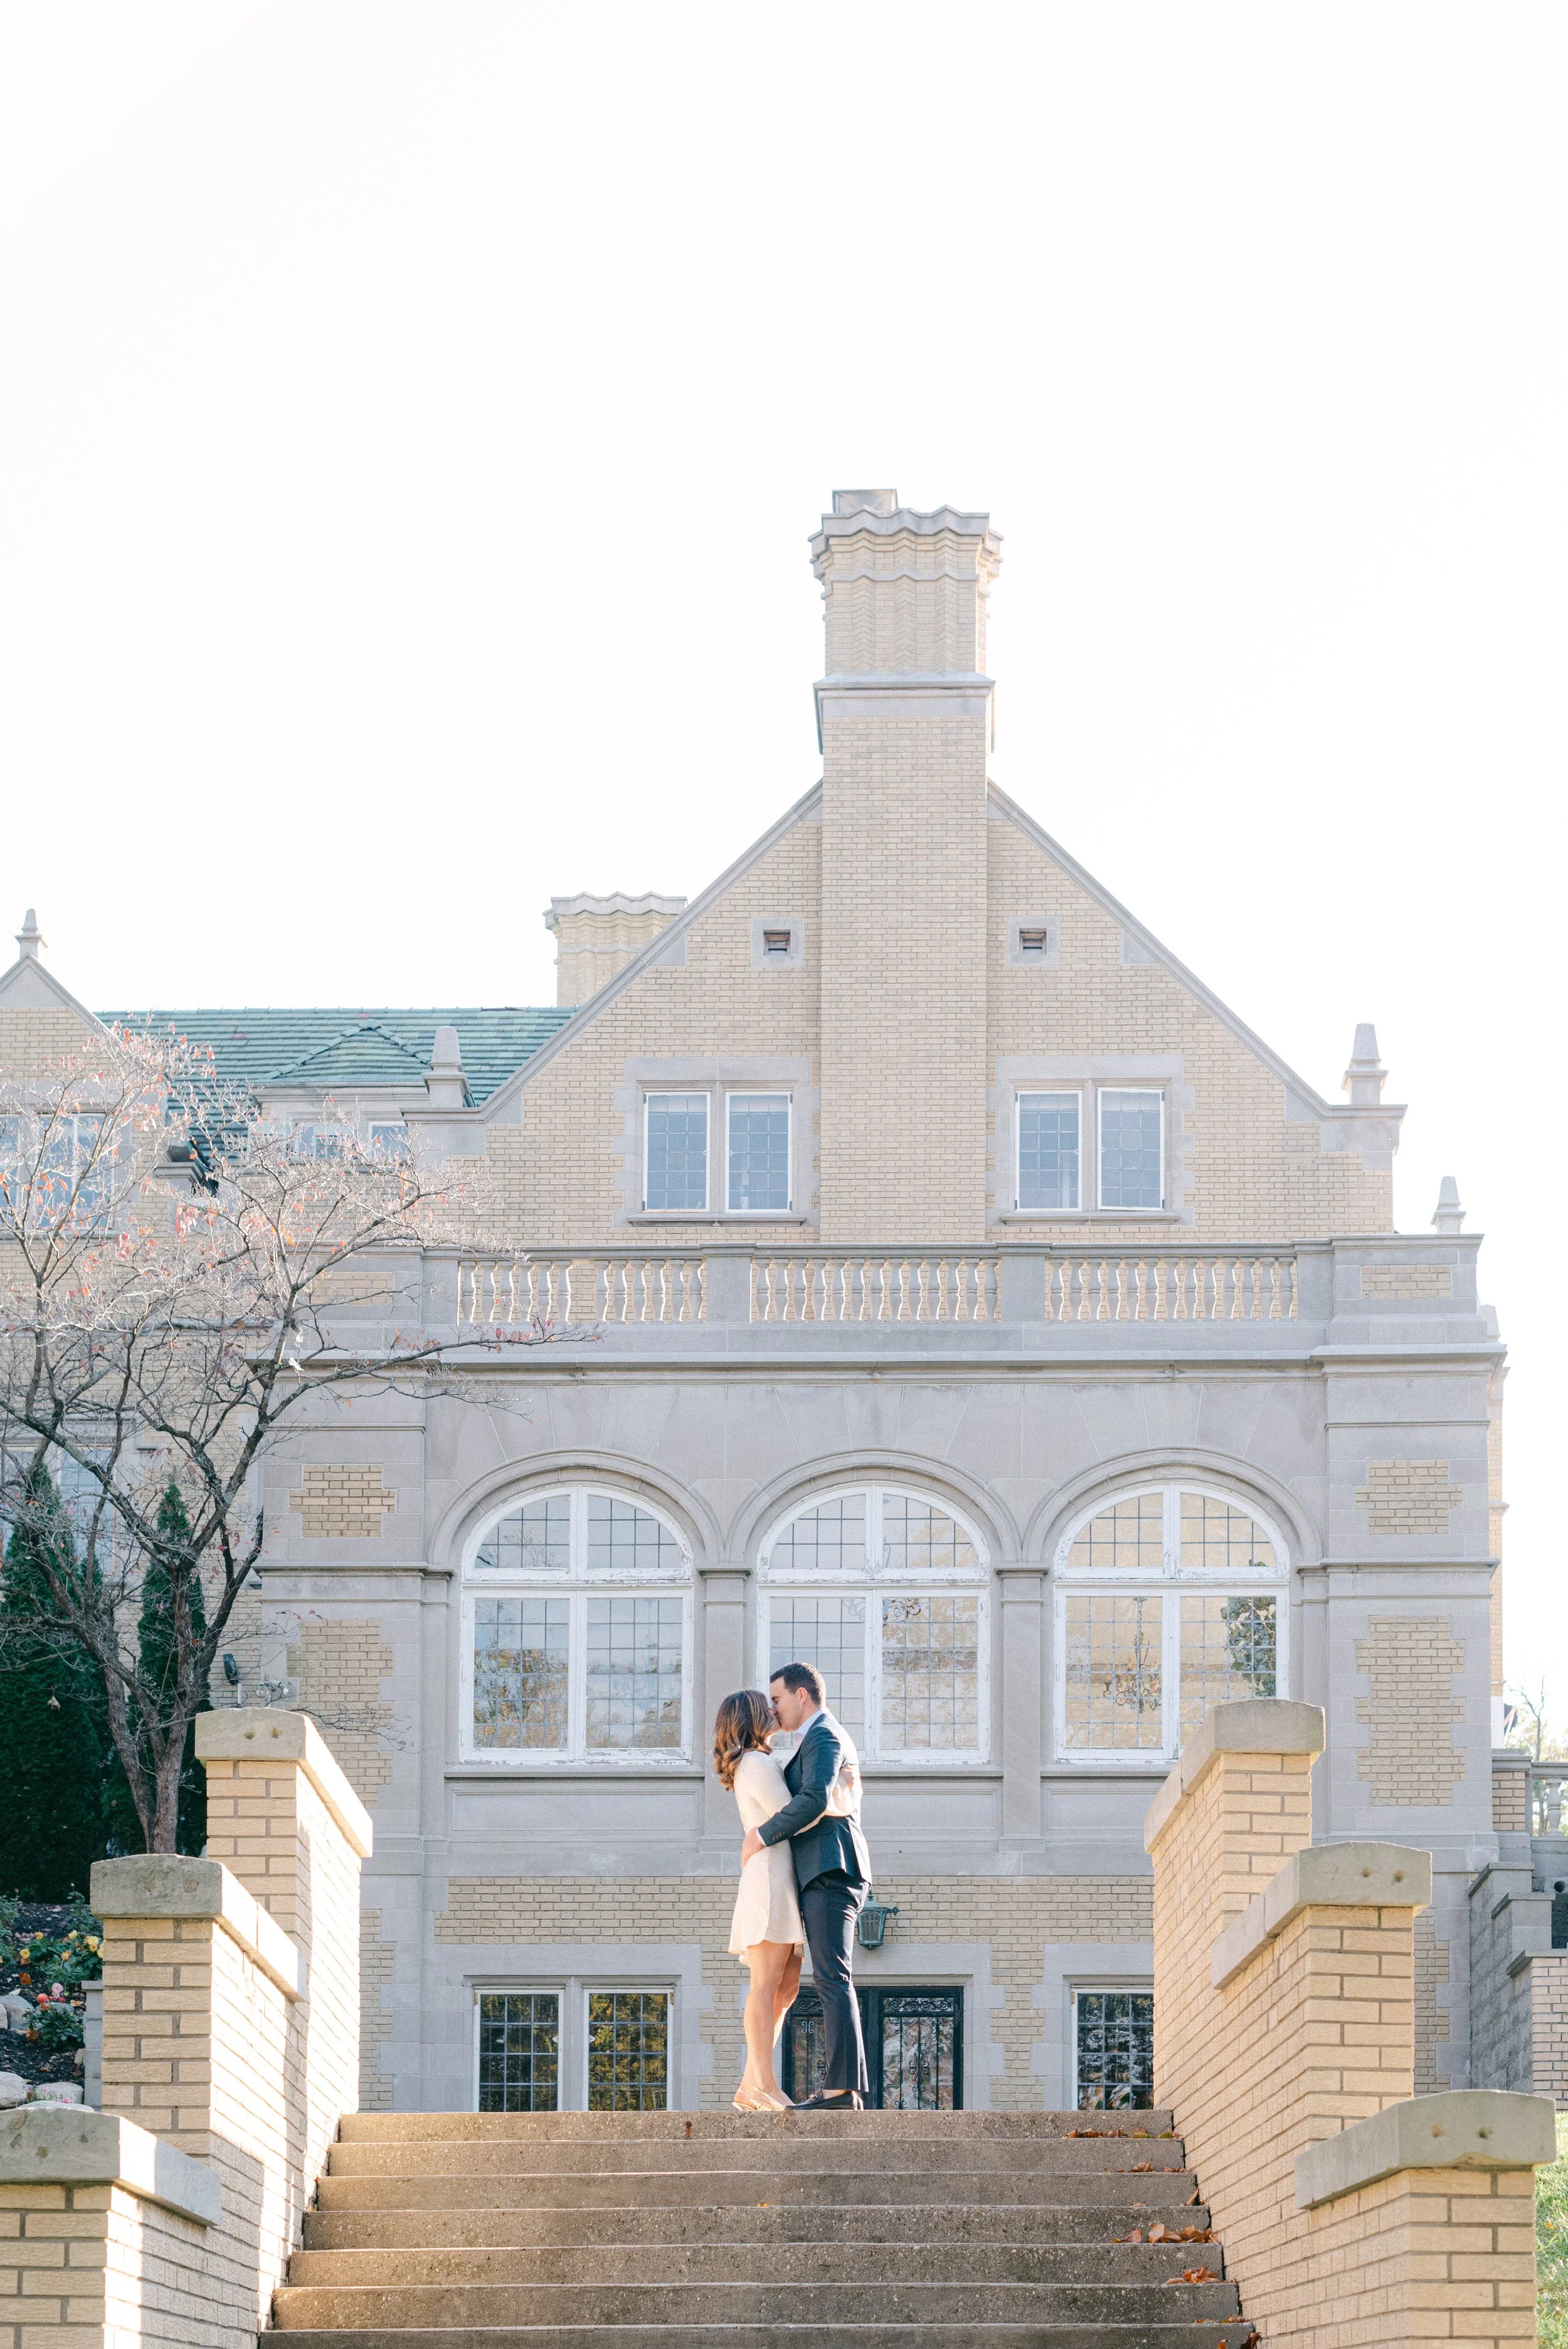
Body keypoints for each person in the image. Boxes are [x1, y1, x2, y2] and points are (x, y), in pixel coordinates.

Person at [741, 1660, 871, 2109]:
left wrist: (759, 1835)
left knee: (834, 1976)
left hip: (831, 1867)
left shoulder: (824, 1734)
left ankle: (840, 2090)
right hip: (823, 1868)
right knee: (831, 1976)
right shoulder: (812, 1738)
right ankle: (842, 2087)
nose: (772, 1708)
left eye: (776, 1699)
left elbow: (814, 1798)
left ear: (801, 1695)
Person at [713, 1687, 803, 2111]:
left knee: (785, 1990)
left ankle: (750, 2083)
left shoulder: (758, 1763)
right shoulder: (755, 1763)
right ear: (750, 1717)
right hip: (769, 1880)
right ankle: (764, 2084)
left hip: (782, 1880)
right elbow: (793, 1813)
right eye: (764, 1705)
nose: (773, 1708)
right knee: (765, 1986)